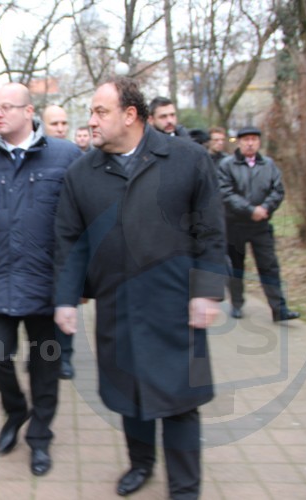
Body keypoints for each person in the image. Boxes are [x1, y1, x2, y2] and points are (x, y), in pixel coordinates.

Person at [54, 77, 226, 499]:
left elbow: (211, 229)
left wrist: (206, 291)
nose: (91, 121)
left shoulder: (187, 159)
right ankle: (140, 464)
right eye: (91, 112)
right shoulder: (81, 174)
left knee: (181, 402)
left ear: (130, 115)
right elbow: (70, 241)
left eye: (100, 112)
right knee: (129, 394)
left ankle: (184, 489)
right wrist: (66, 299)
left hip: (175, 306)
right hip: (118, 306)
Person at [0, 83, 82, 476]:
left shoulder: (65, 156)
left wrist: (76, 284)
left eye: (7, 107)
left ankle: (40, 437)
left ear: (29, 111)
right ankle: (16, 411)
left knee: (46, 366)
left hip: (48, 284)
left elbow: (80, 225)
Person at [217, 126, 300, 322]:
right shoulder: (227, 165)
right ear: (239, 142)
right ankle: (237, 303)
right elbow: (225, 193)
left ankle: (279, 309)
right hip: (235, 224)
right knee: (236, 266)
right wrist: (249, 210)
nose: (250, 143)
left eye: (253, 139)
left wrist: (265, 208)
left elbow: (278, 190)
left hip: (261, 225)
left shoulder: (268, 164)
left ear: (259, 142)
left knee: (269, 266)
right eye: (246, 139)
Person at [41, 105, 78, 380]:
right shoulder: (33, 157)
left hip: (68, 245)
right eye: (54, 123)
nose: (61, 128)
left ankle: (64, 356)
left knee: (65, 301)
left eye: (64, 123)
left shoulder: (75, 156)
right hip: (41, 244)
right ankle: (44, 353)